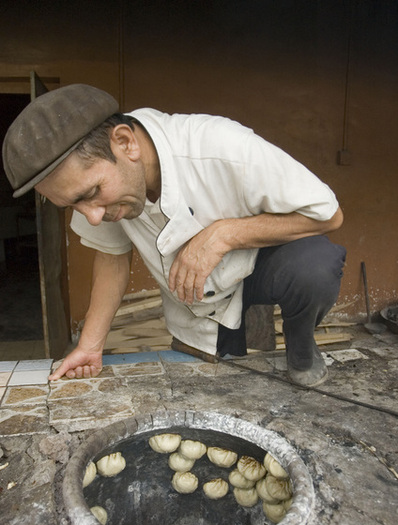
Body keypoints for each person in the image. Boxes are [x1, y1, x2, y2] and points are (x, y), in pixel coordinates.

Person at [2, 84, 346, 387]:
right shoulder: (101, 188)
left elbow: (328, 214)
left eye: (92, 193)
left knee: (315, 265)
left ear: (125, 143)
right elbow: (111, 257)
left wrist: (224, 234)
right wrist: (91, 346)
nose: (92, 216)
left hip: (262, 263)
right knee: (211, 394)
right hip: (197, 301)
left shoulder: (221, 146)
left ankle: (302, 353)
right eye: (73, 206)